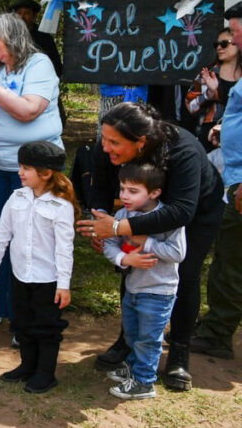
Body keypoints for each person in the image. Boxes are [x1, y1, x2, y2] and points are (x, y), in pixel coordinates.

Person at [77, 102, 223, 391]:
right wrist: (101, 222)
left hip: (196, 213)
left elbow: (182, 210)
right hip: (139, 211)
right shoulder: (105, 150)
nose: (106, 148)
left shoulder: (183, 150)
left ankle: (179, 352)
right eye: (104, 140)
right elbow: (100, 190)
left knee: (185, 273)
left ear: (140, 142)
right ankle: (127, 342)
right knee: (132, 264)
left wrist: (119, 228)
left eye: (114, 142)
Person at [0, 13, 62, 335]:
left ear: (13, 37)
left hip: (39, 172)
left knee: (35, 242)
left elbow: (29, 110)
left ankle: (29, 319)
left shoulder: (39, 65)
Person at [0, 141, 75, 394]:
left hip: (47, 281)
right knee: (22, 322)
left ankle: (45, 374)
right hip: (20, 275)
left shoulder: (61, 207)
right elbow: (2, 233)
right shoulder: (17, 197)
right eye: (20, 167)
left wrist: (63, 285)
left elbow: (64, 249)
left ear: (46, 174)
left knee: (46, 327)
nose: (20, 172)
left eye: (26, 168)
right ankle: (27, 366)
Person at [101, 162, 186, 400]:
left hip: (159, 290)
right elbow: (109, 242)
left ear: (154, 192)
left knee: (148, 338)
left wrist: (146, 241)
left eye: (133, 191)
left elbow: (178, 254)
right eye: (122, 189)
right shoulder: (121, 216)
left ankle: (144, 381)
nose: (125, 196)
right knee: (132, 334)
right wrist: (124, 258)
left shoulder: (168, 217)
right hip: (133, 287)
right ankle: (132, 366)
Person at [191, 1, 242, 360]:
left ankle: (217, 334)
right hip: (232, 174)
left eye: (236, 33)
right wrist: (227, 129)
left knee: (230, 263)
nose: (232, 39)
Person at [185, 28, 239, 152]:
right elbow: (190, 106)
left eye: (224, 44)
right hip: (211, 134)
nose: (219, 48)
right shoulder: (209, 74)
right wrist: (208, 94)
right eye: (217, 45)